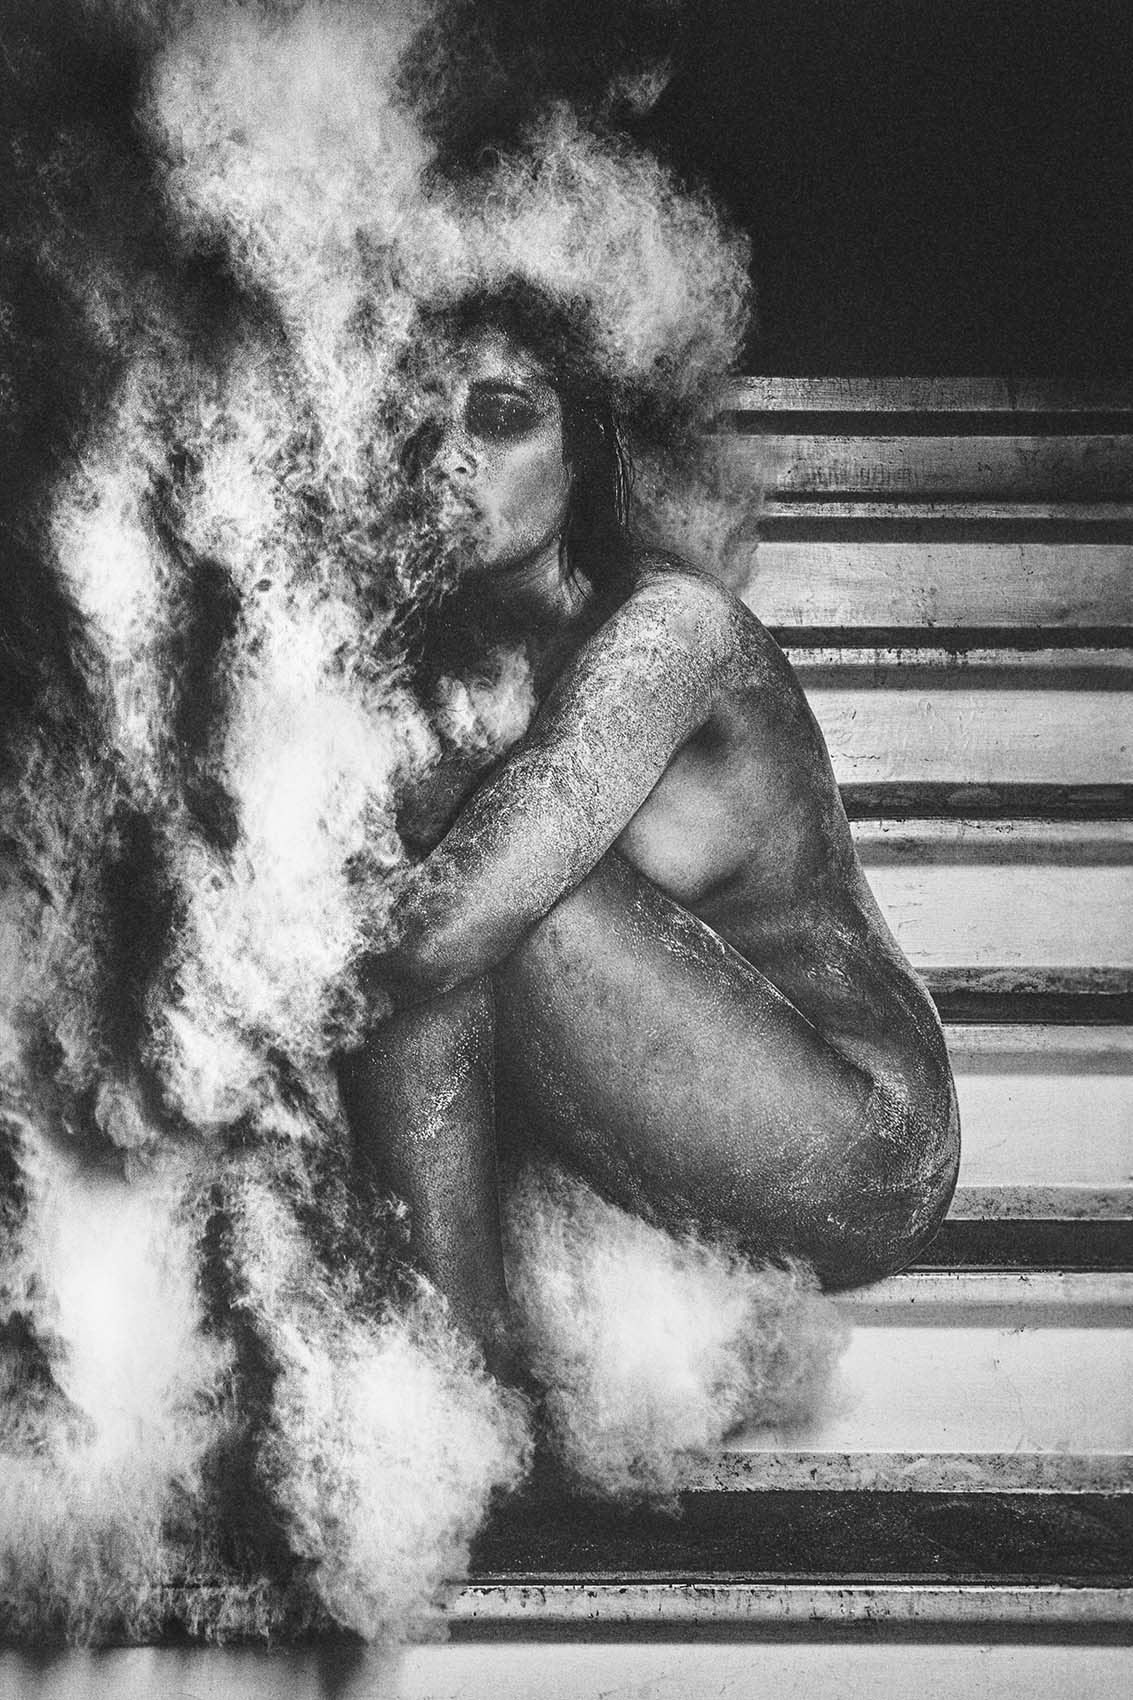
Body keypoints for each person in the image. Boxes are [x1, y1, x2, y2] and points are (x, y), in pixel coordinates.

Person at [339, 282, 959, 1380]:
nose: (449, 456)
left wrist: (223, 972)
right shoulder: (452, 663)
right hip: (682, 1092)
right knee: (421, 837)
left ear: (581, 453)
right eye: (417, 421)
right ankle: (453, 1359)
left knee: (451, 868)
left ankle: (453, 1368)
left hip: (860, 1135)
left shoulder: (668, 634)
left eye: (500, 417)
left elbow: (437, 934)